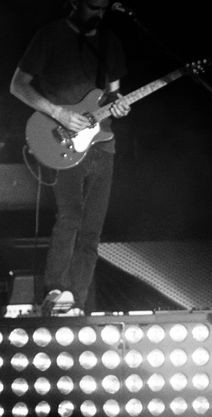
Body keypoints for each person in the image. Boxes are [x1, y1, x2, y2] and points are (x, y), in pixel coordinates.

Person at [10, 0, 130, 316]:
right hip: (61, 138)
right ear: (75, 3)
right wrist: (58, 113)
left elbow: (113, 92)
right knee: (70, 216)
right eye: (93, 6)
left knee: (93, 227)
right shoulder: (49, 36)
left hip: (103, 141)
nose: (99, 14)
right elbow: (17, 85)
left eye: (104, 8)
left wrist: (119, 104)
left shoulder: (110, 42)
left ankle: (75, 300)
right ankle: (54, 291)